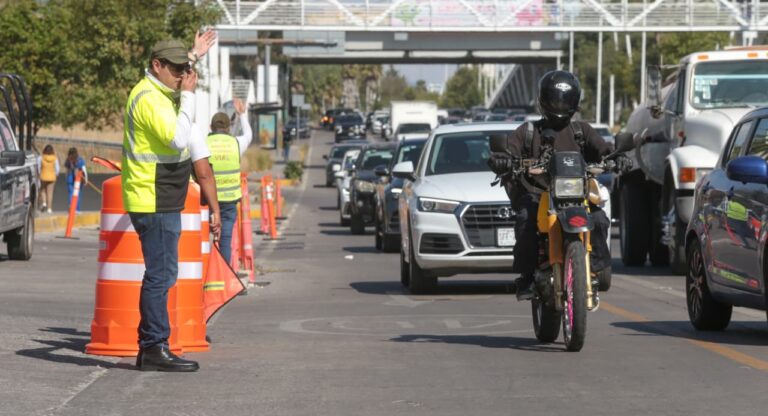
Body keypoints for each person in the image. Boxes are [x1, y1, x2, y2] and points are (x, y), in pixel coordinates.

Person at [122, 31, 220, 372]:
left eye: (185, 69)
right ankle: (153, 347)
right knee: (161, 276)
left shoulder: (160, 89)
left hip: (160, 197)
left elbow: (178, 69)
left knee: (162, 273)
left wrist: (194, 54)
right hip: (153, 198)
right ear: (156, 65)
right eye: (176, 69)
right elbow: (179, 140)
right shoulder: (149, 97)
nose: (182, 75)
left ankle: (151, 346)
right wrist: (190, 98)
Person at [488, 70, 631, 300]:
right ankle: (526, 277)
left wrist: (617, 157)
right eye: (555, 99)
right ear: (544, 100)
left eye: (565, 99)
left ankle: (596, 269)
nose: (560, 104)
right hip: (538, 192)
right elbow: (507, 150)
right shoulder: (528, 132)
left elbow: (604, 150)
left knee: (599, 219)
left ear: (575, 102)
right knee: (526, 219)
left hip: (576, 194)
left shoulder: (581, 130)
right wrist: (501, 158)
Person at [207, 98, 253, 263]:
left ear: (211, 127)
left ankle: (206, 276)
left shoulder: (203, 143)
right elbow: (248, 135)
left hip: (208, 200)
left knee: (205, 239)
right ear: (228, 128)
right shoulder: (236, 143)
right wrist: (242, 114)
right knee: (225, 239)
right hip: (228, 201)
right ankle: (223, 277)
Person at [65, 147, 87, 212]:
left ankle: (71, 206)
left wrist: (66, 178)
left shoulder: (68, 160)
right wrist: (86, 180)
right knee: (78, 194)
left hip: (70, 178)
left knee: (71, 193)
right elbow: (84, 170)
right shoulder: (80, 160)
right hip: (78, 179)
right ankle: (77, 209)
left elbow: (67, 170)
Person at [39, 145, 59, 213]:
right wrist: (56, 175)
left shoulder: (41, 158)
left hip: (43, 176)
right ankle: (49, 208)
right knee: (50, 193)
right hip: (52, 177)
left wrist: (39, 174)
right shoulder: (55, 158)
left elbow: (38, 167)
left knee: (43, 190)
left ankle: (44, 203)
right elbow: (57, 169)